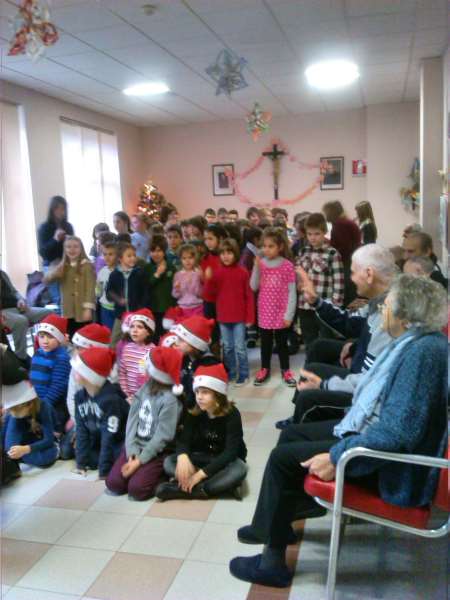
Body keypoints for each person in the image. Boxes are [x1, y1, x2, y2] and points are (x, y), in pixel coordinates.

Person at [230, 274, 447, 588]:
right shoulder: (417, 344)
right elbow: (379, 397)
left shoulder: (421, 355)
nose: (382, 311)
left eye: (387, 306)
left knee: (282, 459)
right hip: (380, 446)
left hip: (394, 470)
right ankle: (277, 525)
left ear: (405, 314)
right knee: (292, 437)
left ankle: (271, 565)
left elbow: (397, 433)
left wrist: (336, 456)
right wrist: (328, 387)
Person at [285, 244, 396, 427]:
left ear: (369, 274)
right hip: (360, 376)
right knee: (318, 350)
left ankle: (302, 419)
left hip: (364, 394)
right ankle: (300, 415)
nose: (351, 278)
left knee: (308, 399)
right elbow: (350, 324)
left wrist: (325, 385)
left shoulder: (390, 315)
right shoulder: (377, 301)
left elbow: (370, 379)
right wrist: (316, 301)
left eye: (353, 272)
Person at [156, 364, 247, 500]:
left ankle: (188, 488)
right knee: (169, 461)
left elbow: (230, 453)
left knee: (239, 469)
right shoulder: (195, 411)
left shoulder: (232, 415)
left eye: (205, 392)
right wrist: (182, 456)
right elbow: (184, 439)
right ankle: (215, 486)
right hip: (202, 457)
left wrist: (199, 475)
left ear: (218, 394)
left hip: (225, 461)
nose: (199, 397)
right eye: (197, 392)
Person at [105, 346, 183, 501]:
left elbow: (163, 437)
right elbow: (132, 421)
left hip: (157, 451)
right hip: (136, 446)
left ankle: (163, 476)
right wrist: (131, 451)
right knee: (114, 484)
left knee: (137, 490)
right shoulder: (145, 387)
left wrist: (140, 461)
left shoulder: (170, 400)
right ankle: (140, 470)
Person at [72, 347, 129, 478]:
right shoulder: (79, 397)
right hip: (98, 439)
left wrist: (103, 472)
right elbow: (81, 430)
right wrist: (80, 464)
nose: (73, 372)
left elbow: (109, 437)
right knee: (73, 449)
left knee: (118, 455)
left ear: (89, 375)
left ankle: (107, 464)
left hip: (118, 441)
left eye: (78, 370)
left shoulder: (111, 399)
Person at [250, 228, 297, 387]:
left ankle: (286, 370)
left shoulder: (287, 266)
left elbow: (292, 292)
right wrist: (256, 267)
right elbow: (253, 286)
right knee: (265, 343)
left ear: (280, 247)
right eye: (264, 246)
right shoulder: (261, 264)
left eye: (271, 246)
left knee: (282, 343)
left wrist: (289, 315)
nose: (266, 249)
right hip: (265, 312)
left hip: (281, 313)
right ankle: (265, 368)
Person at [206, 238, 254, 386]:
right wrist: (208, 280)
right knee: (227, 348)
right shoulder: (217, 273)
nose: (226, 256)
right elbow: (209, 296)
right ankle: (231, 372)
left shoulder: (243, 272)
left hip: (239, 317)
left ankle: (244, 374)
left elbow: (249, 296)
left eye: (229, 253)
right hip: (223, 317)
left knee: (240, 347)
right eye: (223, 253)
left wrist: (250, 317)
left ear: (236, 254)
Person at [62, 323, 112, 460]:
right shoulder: (76, 365)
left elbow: (110, 408)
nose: (75, 352)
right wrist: (79, 425)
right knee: (66, 451)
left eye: (80, 348)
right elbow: (71, 398)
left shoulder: (109, 370)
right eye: (75, 347)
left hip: (102, 421)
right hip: (83, 418)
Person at [296, 213, 344, 350]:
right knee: (309, 341)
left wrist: (335, 308)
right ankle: (310, 361)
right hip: (305, 306)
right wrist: (299, 283)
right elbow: (299, 276)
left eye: (317, 234)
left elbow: (339, 283)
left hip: (324, 306)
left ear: (324, 232)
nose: (313, 237)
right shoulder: (303, 252)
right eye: (309, 234)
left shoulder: (332, 254)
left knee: (325, 342)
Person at [44, 236, 96, 337]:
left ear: (81, 249)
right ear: (64, 249)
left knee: (83, 335)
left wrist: (88, 308)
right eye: (68, 247)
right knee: (70, 335)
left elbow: (90, 289)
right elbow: (46, 281)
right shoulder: (62, 266)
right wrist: (55, 272)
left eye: (75, 247)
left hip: (82, 310)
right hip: (68, 309)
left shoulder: (87, 265)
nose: (72, 250)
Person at [30, 315, 71, 434]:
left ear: (59, 338)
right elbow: (32, 377)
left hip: (53, 407)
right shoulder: (38, 353)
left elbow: (57, 388)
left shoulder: (62, 358)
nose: (45, 341)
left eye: (50, 337)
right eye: (41, 336)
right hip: (36, 403)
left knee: (50, 433)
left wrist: (41, 408)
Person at [1, 270, 52, 365]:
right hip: (3, 311)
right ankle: (21, 358)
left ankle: (46, 350)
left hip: (17, 307)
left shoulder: (2, 273)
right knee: (21, 321)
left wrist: (21, 300)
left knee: (49, 313)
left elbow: (14, 291)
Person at [4, 380, 59, 468]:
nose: (14, 415)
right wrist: (13, 452)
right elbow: (9, 447)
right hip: (29, 440)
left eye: (17, 413)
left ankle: (23, 456)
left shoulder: (44, 407)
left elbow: (49, 440)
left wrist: (26, 449)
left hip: (43, 440)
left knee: (42, 458)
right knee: (11, 451)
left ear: (30, 405)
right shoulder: (14, 414)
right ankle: (22, 456)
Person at [106, 242, 148, 344]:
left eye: (134, 255)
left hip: (136, 316)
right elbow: (109, 293)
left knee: (136, 341)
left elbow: (145, 294)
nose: (133, 258)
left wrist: (141, 309)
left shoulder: (140, 273)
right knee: (114, 342)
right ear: (120, 258)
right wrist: (118, 299)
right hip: (120, 316)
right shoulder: (114, 274)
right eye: (129, 256)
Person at [37, 195, 74, 310]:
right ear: (52, 209)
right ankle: (61, 321)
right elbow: (43, 253)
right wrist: (55, 239)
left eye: (63, 209)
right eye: (57, 208)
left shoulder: (68, 226)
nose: (61, 212)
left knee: (71, 298)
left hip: (67, 265)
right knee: (59, 300)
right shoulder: (44, 227)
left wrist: (69, 240)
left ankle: (70, 321)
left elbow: (74, 248)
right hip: (52, 267)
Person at [174, 316, 219, 409]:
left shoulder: (208, 365)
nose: (176, 343)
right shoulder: (185, 358)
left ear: (195, 344)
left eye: (181, 340)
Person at [323, 200, 361, 305]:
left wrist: (328, 248)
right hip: (352, 261)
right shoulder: (345, 222)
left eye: (326, 213)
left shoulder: (340, 224)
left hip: (346, 263)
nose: (325, 216)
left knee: (348, 296)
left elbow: (343, 247)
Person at [144, 235, 177, 343]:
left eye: (159, 251)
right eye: (153, 251)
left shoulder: (171, 267)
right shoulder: (147, 268)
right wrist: (157, 275)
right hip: (153, 309)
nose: (156, 254)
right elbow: (145, 287)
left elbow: (175, 289)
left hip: (168, 309)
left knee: (167, 337)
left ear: (164, 251)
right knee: (153, 336)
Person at [118, 309, 155, 403]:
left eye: (139, 327)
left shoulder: (153, 351)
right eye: (132, 326)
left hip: (146, 398)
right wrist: (127, 394)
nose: (134, 330)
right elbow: (122, 373)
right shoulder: (127, 349)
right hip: (129, 398)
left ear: (148, 331)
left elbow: (154, 379)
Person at [172, 244, 203, 319]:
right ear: (180, 259)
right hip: (183, 308)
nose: (187, 261)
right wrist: (177, 288)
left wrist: (195, 280)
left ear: (195, 258)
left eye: (190, 258)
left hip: (197, 307)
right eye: (184, 258)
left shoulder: (198, 273)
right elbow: (175, 295)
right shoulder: (178, 275)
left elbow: (200, 293)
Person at [96, 241, 118, 331]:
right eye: (105, 254)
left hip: (118, 309)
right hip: (105, 308)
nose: (107, 257)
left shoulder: (122, 272)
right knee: (107, 332)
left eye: (110, 254)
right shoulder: (102, 271)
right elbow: (99, 290)